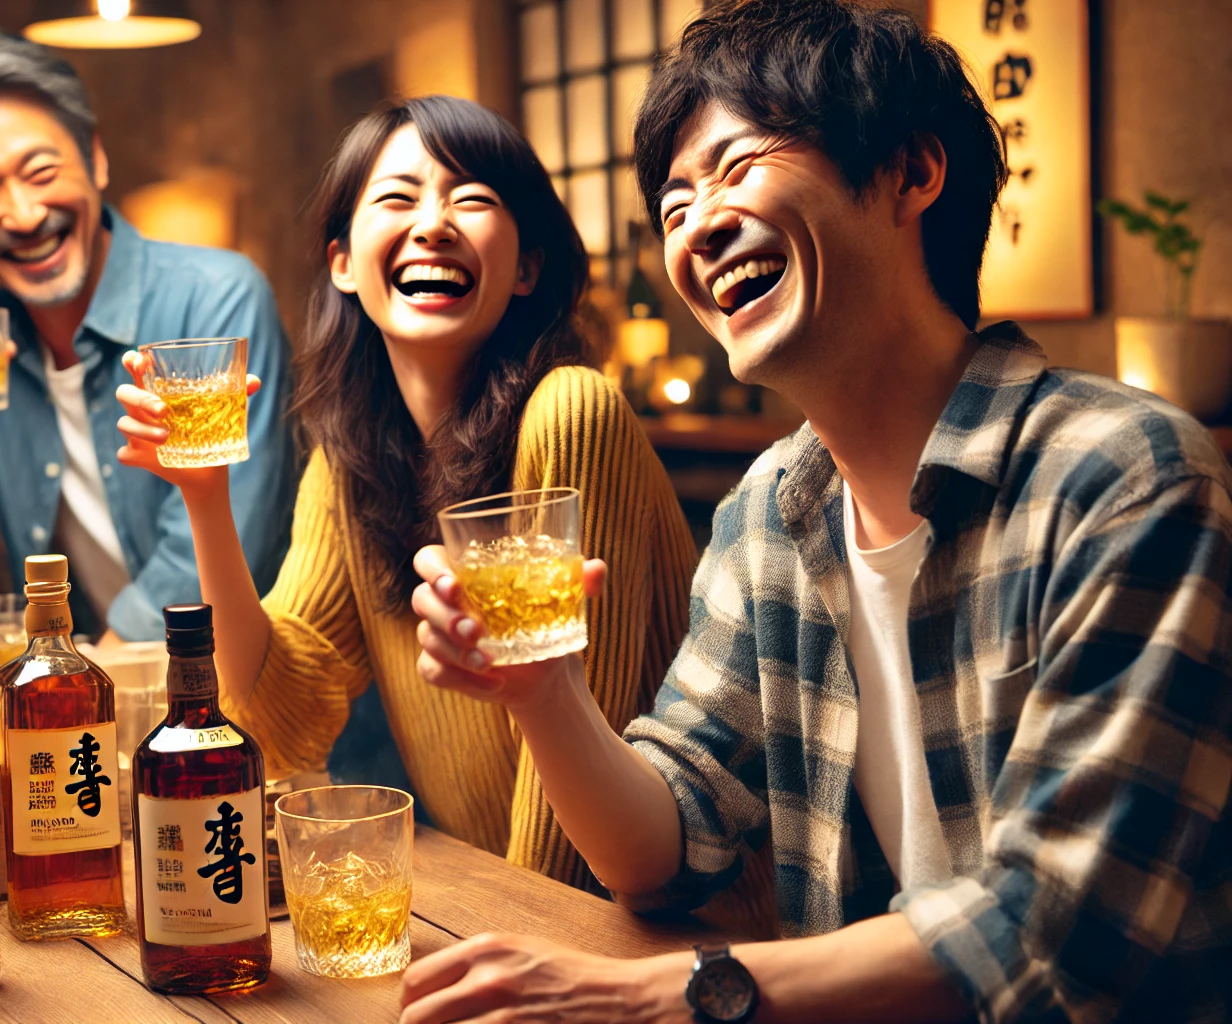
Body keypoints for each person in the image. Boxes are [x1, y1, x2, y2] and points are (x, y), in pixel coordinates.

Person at [405, 3, 1231, 1022]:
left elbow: (1057, 928)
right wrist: (542, 693)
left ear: (910, 174)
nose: (697, 224)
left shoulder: (1119, 478)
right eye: (671, 206)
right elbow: (664, 852)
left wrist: (655, 995)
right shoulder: (770, 511)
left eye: (738, 165)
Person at [116, 95, 699, 890]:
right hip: (519, 919)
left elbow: (582, 746)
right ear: (343, 263)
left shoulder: (569, 414)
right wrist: (204, 497)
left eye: (473, 199)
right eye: (398, 197)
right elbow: (280, 720)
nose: (433, 223)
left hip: (665, 933)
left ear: (526, 265)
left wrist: (518, 957)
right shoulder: (350, 466)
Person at [0, 27, 297, 642]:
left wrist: (78, 689)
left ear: (95, 159)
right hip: (98, 706)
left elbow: (226, 546)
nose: (25, 215)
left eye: (41, 170)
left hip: (246, 696)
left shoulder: (213, 300)